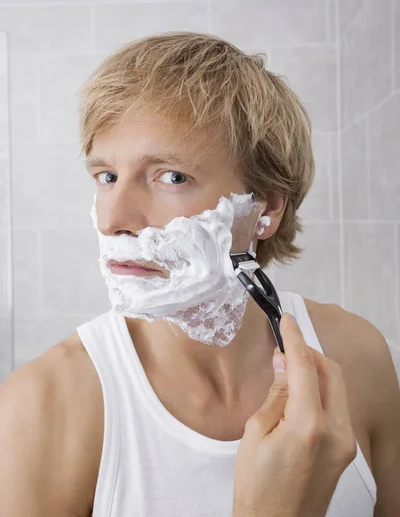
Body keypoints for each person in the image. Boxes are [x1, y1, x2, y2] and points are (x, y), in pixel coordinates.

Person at [0, 32, 399, 517]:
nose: (112, 219)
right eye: (107, 176)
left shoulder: (357, 356)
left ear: (264, 208)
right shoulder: (41, 405)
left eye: (171, 176)